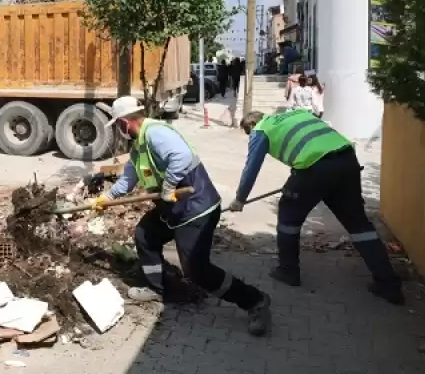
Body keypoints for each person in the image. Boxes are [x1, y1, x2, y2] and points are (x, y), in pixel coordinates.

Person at [93, 96, 272, 336]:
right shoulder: (139, 146)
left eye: (117, 125)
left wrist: (167, 186)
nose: (118, 130)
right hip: (173, 210)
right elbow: (128, 178)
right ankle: (157, 288)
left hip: (197, 209)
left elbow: (182, 157)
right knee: (145, 234)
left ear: (125, 122)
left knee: (197, 271)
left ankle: (255, 301)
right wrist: (108, 198)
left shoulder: (156, 133)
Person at [228, 110, 404, 305]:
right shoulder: (296, 114)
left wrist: (240, 199)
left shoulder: (261, 130)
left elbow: (252, 166)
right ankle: (388, 284)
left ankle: (288, 271)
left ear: (251, 125)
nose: (249, 135)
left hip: (313, 167)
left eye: (247, 132)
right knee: (358, 224)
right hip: (347, 160)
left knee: (288, 216)